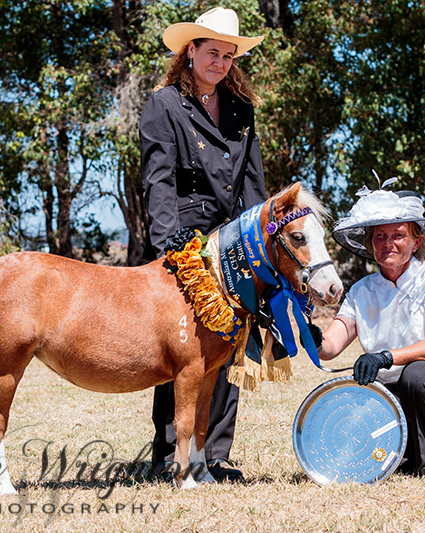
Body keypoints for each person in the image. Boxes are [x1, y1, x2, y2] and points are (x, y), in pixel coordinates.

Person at [139, 7, 266, 482]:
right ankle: (168, 454)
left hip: (235, 244)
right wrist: (171, 245)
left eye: (228, 55)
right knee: (181, 348)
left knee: (229, 349)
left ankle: (214, 454)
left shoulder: (241, 111)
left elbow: (253, 182)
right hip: (185, 244)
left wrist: (262, 243)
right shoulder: (165, 104)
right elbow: (158, 179)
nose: (220, 62)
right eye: (212, 52)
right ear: (190, 51)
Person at [318, 185, 425, 477]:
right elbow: (331, 346)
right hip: (399, 400)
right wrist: (307, 336)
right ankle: (406, 456)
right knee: (362, 393)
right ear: (370, 243)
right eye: (380, 236)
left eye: (398, 235)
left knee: (417, 373)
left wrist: (385, 357)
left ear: (416, 242)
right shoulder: (362, 290)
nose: (389, 243)